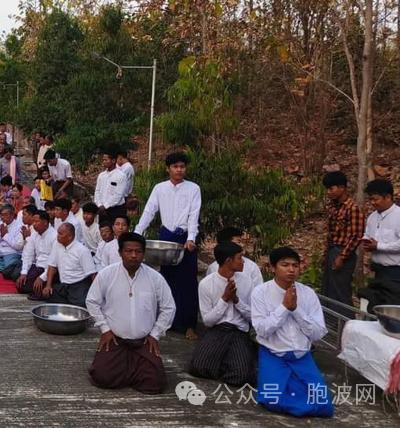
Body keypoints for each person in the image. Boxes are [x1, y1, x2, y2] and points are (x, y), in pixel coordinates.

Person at [86, 232, 176, 394]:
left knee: (155, 383)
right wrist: (105, 329)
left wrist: (156, 334)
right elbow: (92, 301)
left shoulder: (155, 278)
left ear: (143, 253)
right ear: (120, 253)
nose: (133, 255)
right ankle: (129, 370)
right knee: (102, 376)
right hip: (115, 339)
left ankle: (129, 370)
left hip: (143, 342)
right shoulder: (107, 274)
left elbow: (169, 307)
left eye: (138, 251)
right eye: (128, 251)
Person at [252, 247, 333, 418]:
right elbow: (262, 330)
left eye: (295, 265)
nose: (291, 270)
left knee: (323, 404)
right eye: (285, 265)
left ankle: (296, 396)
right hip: (273, 354)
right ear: (273, 268)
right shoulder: (260, 293)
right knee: (271, 400)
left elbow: (318, 333)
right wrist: (284, 308)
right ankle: (296, 397)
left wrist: (295, 309)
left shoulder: (308, 294)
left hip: (301, 355)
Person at [134, 152, 202, 340]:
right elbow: (149, 211)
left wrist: (191, 237)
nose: (179, 170)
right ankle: (168, 321)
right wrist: (138, 233)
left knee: (188, 281)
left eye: (182, 166)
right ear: (168, 169)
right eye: (175, 166)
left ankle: (189, 324)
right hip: (166, 235)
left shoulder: (193, 188)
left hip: (185, 238)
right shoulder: (160, 188)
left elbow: (193, 215)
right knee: (167, 279)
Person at [189, 242, 256, 387]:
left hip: (239, 331)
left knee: (242, 376)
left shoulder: (247, 282)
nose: (243, 261)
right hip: (217, 330)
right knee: (199, 367)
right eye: (240, 258)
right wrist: (224, 299)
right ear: (228, 261)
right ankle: (224, 362)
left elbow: (252, 317)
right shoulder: (207, 284)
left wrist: (236, 300)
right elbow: (208, 321)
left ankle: (226, 361)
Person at [321, 171, 365, 306]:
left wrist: (342, 256)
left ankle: (346, 323)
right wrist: (326, 254)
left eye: (331, 188)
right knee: (328, 289)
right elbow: (331, 233)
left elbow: (356, 235)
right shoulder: (333, 207)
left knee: (340, 291)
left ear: (342, 188)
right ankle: (331, 322)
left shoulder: (352, 208)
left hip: (343, 252)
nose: (329, 192)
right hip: (332, 250)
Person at [37, 223, 97, 307]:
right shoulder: (57, 245)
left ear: (70, 236)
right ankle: (69, 302)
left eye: (60, 234)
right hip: (64, 285)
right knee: (46, 293)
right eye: (58, 233)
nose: (57, 236)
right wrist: (48, 285)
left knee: (82, 303)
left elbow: (92, 273)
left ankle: (71, 302)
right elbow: (52, 266)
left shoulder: (82, 250)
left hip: (79, 285)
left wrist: (97, 293)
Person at [362, 179, 400, 280]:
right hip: (377, 269)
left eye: (375, 199)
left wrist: (379, 246)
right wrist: (366, 241)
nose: (372, 203)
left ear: (388, 197)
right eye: (370, 199)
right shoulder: (372, 217)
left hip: (397, 272)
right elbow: (367, 233)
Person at [16, 211, 58, 297]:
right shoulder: (34, 235)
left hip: (50, 269)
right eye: (33, 222)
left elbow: (55, 261)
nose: (34, 225)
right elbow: (28, 254)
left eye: (37, 222)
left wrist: (42, 278)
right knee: (20, 286)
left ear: (45, 223)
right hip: (37, 266)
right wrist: (24, 273)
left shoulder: (54, 236)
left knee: (38, 291)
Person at [95, 151, 127, 223]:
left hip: (116, 209)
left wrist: (106, 206)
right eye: (103, 160)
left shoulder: (121, 176)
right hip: (102, 209)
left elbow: (118, 195)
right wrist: (99, 204)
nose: (104, 162)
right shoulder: (101, 175)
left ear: (113, 161)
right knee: (104, 230)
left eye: (106, 160)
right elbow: (97, 191)